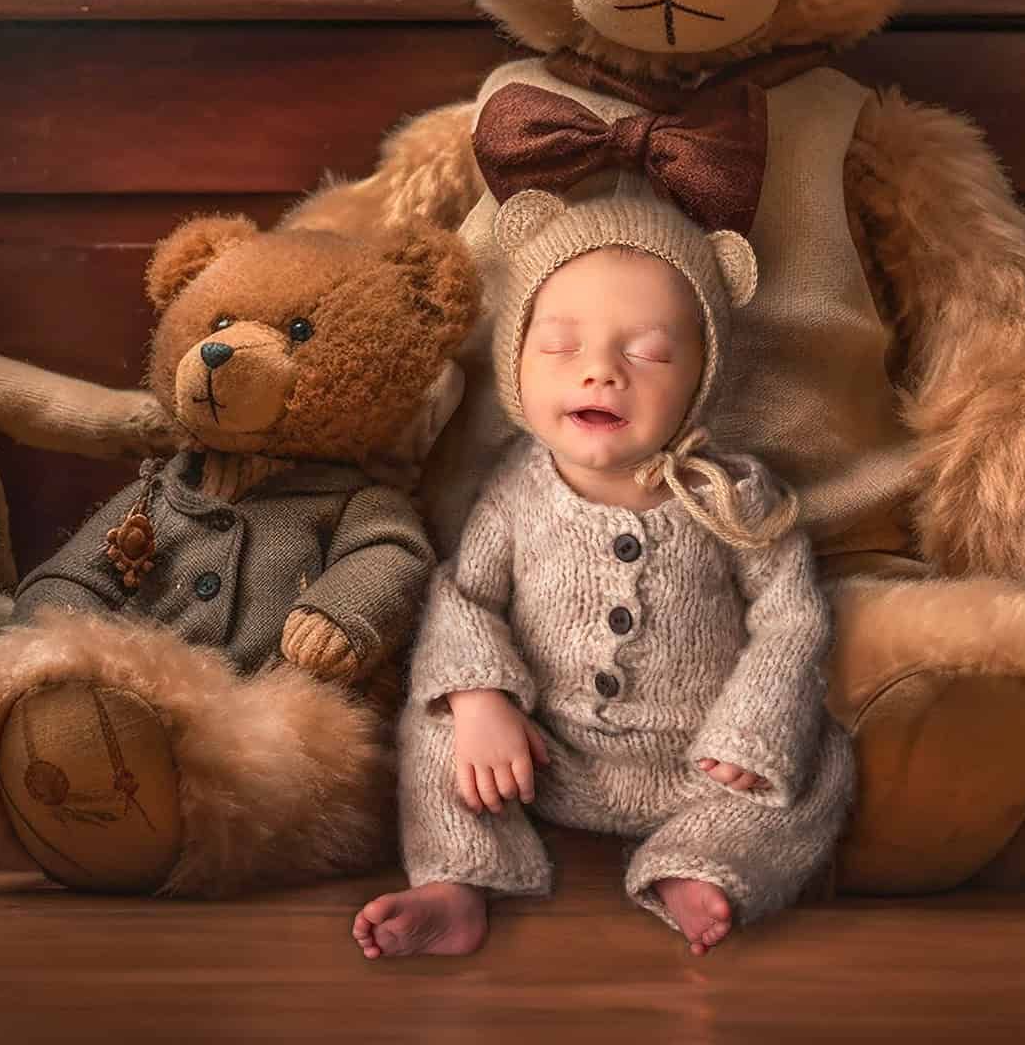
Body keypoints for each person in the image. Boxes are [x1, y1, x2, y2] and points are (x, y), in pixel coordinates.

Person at [353, 191, 852, 959]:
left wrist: (753, 726)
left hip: (703, 764)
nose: (599, 373)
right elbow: (464, 597)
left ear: (701, 376)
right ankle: (457, 879)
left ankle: (701, 861)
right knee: (436, 724)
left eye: (647, 353)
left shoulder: (735, 497)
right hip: (544, 757)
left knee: (818, 762)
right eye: (558, 345)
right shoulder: (517, 492)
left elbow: (792, 618)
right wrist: (482, 697)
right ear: (516, 364)